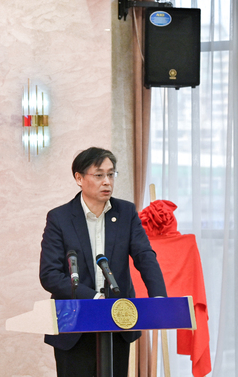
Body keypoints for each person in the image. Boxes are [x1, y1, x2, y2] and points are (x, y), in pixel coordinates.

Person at [39, 147, 167, 377]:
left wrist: (159, 297)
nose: (107, 181)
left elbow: (145, 256)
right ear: (79, 178)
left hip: (118, 320)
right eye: (99, 175)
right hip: (74, 324)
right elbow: (50, 274)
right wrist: (94, 298)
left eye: (111, 174)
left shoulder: (126, 212)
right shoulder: (59, 218)